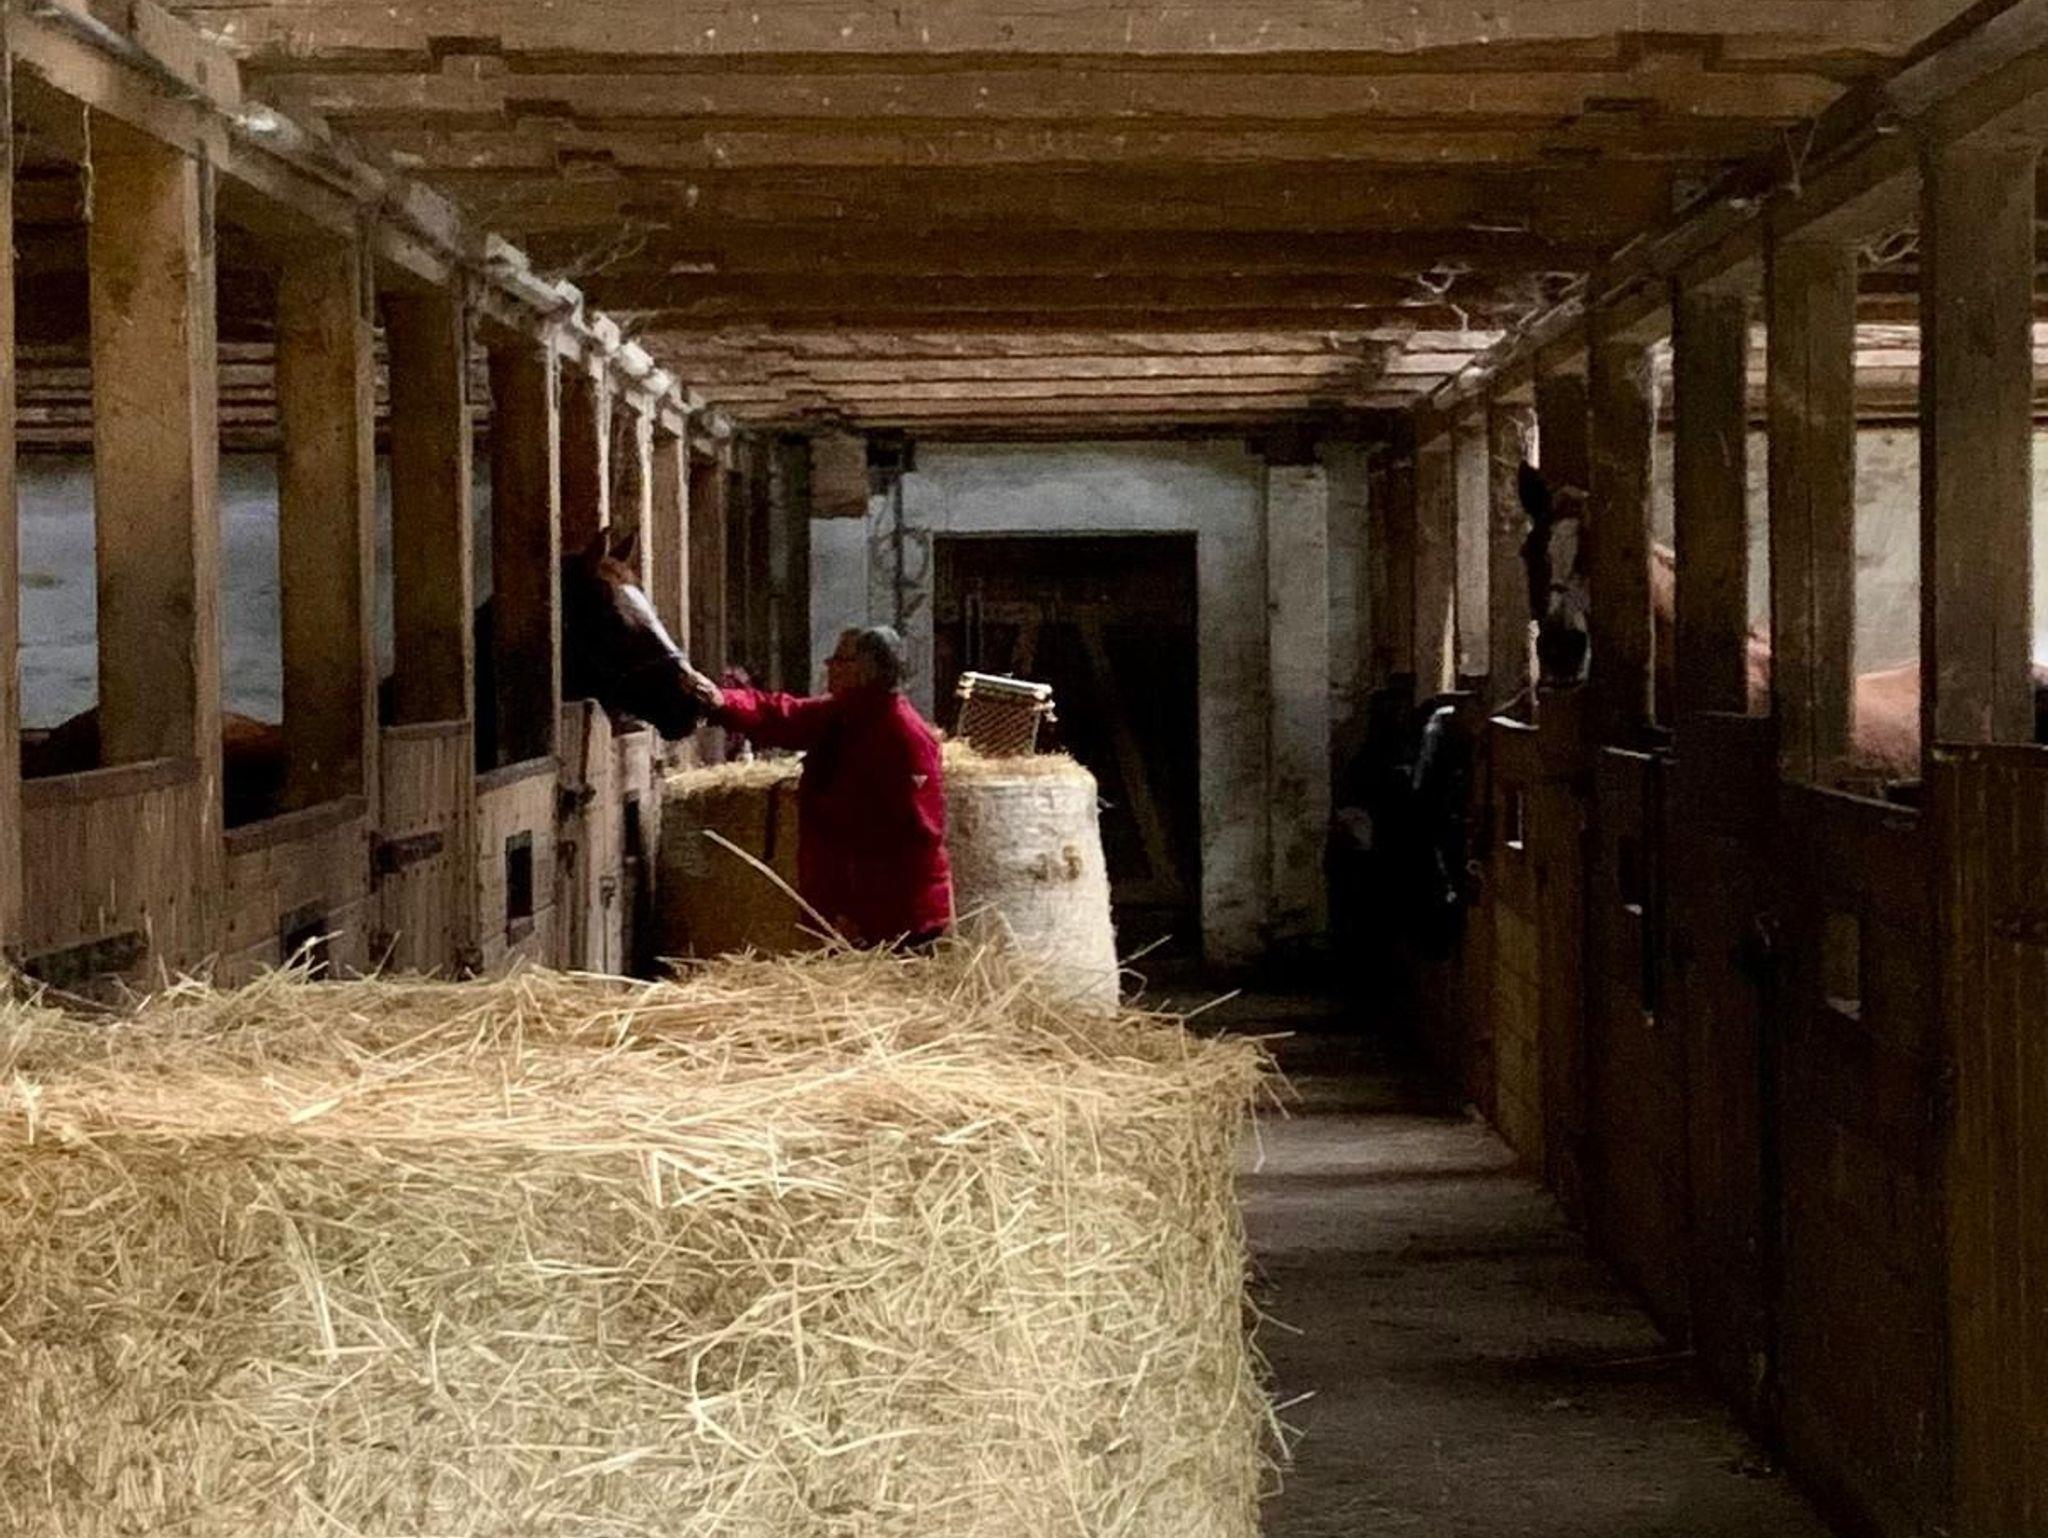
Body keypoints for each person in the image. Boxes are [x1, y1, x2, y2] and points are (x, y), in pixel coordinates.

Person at [684, 627, 954, 949]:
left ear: (864, 668)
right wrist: (720, 701)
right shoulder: (846, 714)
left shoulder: (903, 735)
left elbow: (914, 837)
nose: (829, 666)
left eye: (839, 659)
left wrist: (862, 912)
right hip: (858, 913)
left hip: (897, 922)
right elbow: (781, 715)